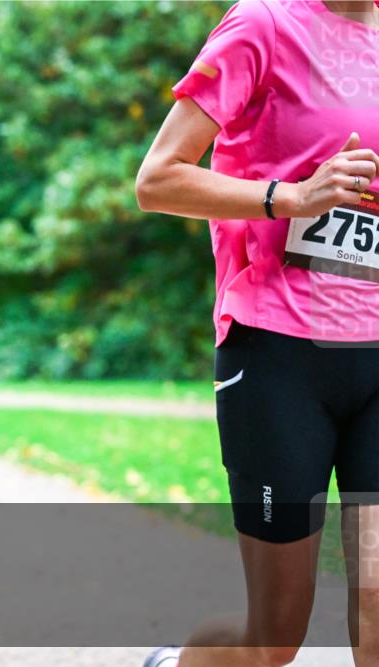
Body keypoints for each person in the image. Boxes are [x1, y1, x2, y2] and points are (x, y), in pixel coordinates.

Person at [136, 1, 378, 666]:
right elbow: (156, 179)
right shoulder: (265, 24)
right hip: (277, 352)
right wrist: (291, 197)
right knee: (274, 637)